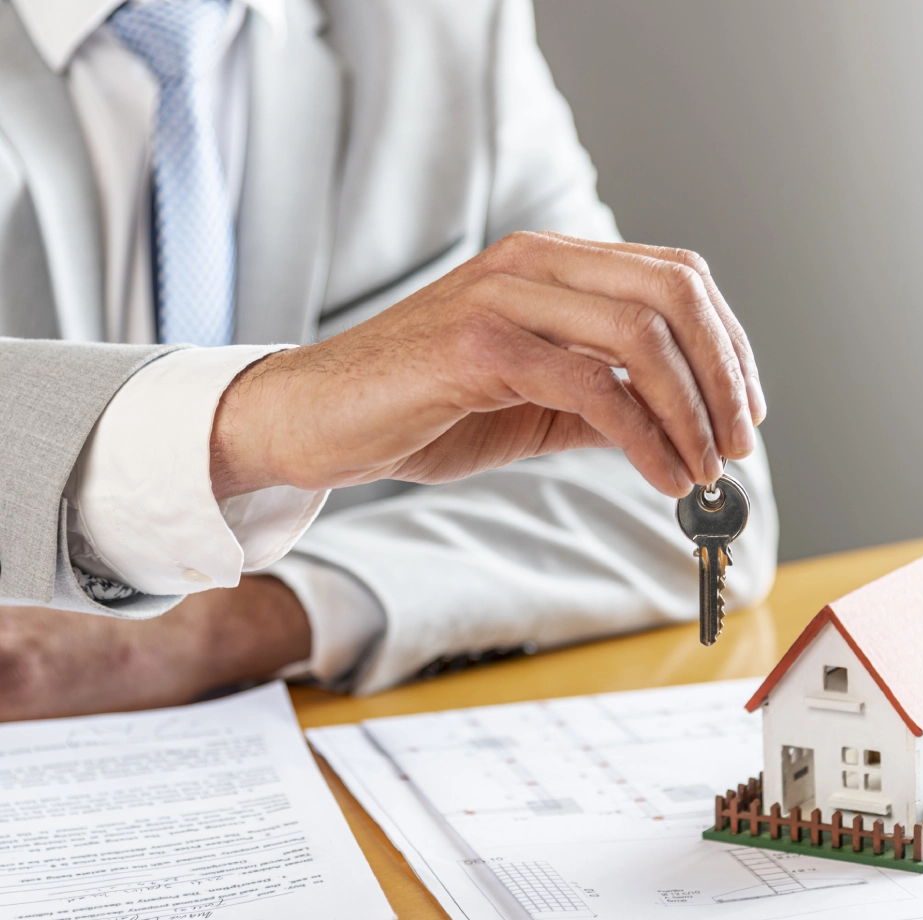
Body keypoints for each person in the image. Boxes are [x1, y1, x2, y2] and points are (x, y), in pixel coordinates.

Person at [0, 0, 778, 720]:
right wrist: (269, 413)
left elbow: (696, 500)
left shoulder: (445, 27)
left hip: (301, 747)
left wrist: (233, 624)